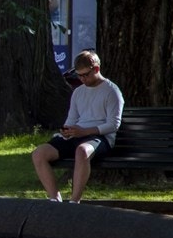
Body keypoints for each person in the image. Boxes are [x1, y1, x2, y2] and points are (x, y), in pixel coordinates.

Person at [32, 49, 124, 204]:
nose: (82, 79)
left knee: (82, 151)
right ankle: (54, 198)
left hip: (99, 137)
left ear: (96, 69)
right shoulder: (78, 92)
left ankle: (74, 201)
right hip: (77, 134)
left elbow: (113, 124)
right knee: (39, 153)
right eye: (79, 75)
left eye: (85, 75)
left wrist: (85, 132)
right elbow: (72, 119)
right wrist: (67, 130)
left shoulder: (111, 91)